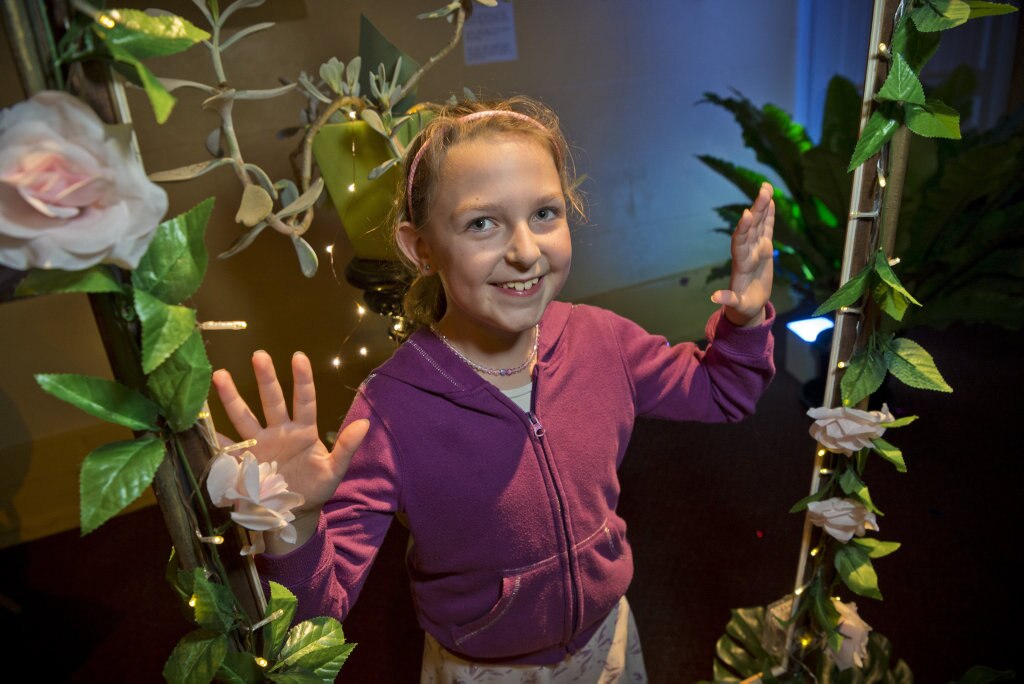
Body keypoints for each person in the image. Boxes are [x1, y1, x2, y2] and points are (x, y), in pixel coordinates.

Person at [212, 96, 776, 682]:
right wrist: (293, 523)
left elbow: (723, 392)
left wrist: (746, 321)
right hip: (486, 668)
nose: (525, 251)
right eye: (482, 223)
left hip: (606, 637)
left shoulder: (603, 342)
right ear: (420, 248)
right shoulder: (389, 412)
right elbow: (315, 618)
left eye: (544, 214)